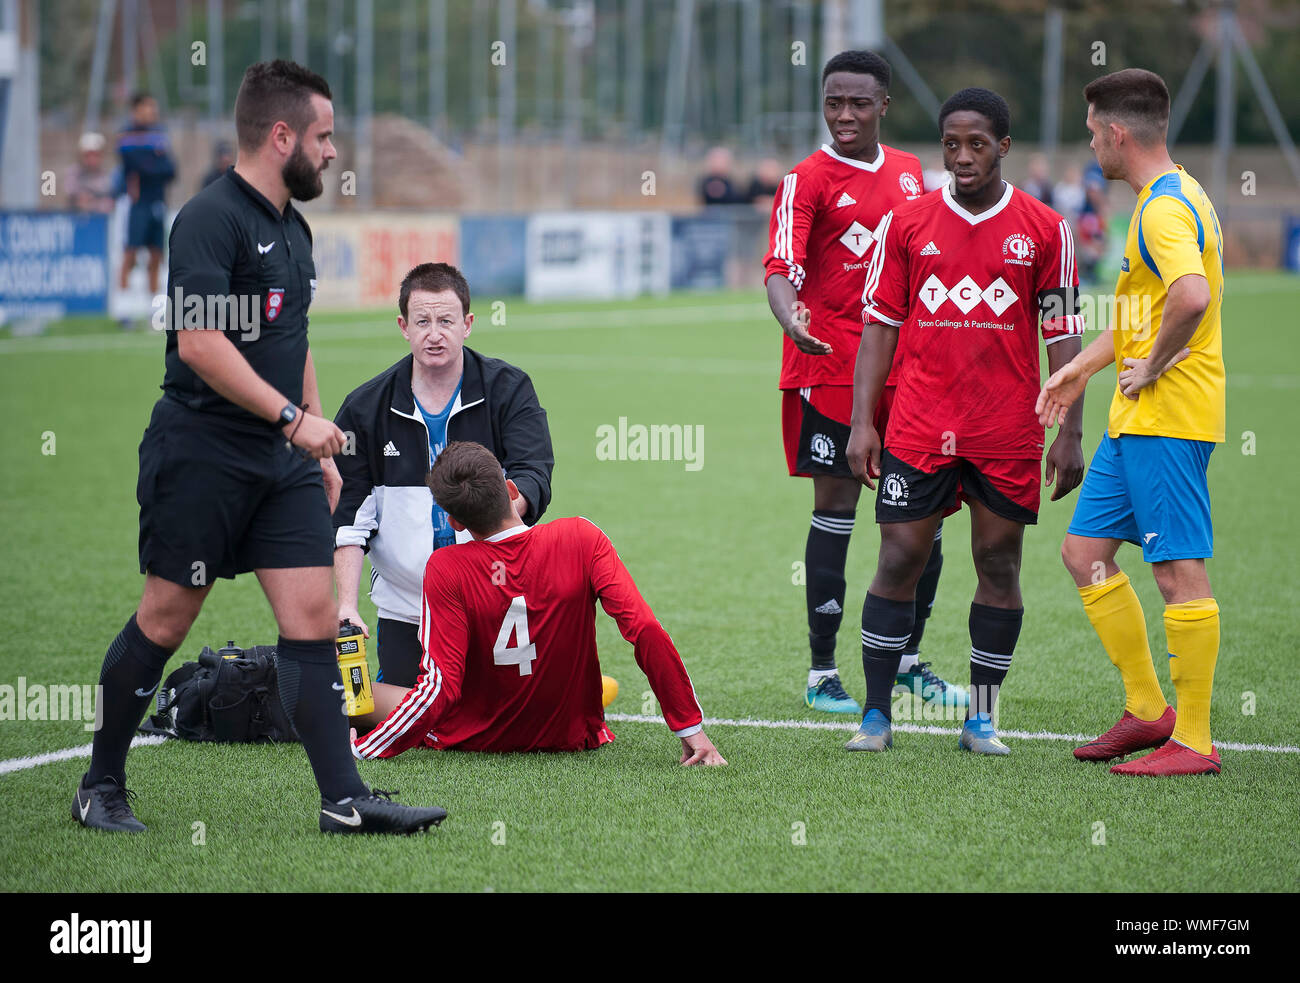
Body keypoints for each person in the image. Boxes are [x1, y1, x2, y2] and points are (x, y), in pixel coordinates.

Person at [71, 60, 446, 835]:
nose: (334, 152)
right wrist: (292, 420)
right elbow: (200, 343)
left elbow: (291, 339)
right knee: (166, 618)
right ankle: (100, 783)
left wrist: (315, 442)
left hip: (282, 461)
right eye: (324, 136)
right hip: (202, 452)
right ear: (282, 137)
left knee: (311, 617)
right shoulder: (210, 219)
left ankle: (345, 798)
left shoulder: (293, 227)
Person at [845, 87, 1086, 754]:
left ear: (1004, 146)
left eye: (977, 143)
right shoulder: (908, 223)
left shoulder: (1046, 229)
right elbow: (878, 329)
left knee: (998, 564)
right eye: (951, 143)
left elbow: (1064, 336)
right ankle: (875, 714)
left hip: (1007, 427)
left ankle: (981, 718)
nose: (962, 156)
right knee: (898, 556)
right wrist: (863, 421)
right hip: (920, 424)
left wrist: (1069, 431)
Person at [761, 49, 964, 716]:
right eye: (833, 103)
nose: (844, 114)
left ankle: (907, 660)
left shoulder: (912, 175)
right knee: (838, 509)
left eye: (857, 103)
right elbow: (780, 264)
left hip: (907, 373)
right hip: (829, 367)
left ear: (883, 105)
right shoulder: (806, 179)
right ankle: (823, 671)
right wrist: (790, 315)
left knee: (922, 516)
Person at [1037, 68, 1225, 776]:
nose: (1091, 145)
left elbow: (1191, 295)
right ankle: (1149, 710)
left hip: (1168, 417)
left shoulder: (1162, 210)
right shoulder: (1167, 195)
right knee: (1084, 553)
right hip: (1132, 418)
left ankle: (1197, 739)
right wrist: (1081, 368)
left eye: (1092, 133)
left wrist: (1152, 369)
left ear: (1118, 133)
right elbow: (1144, 311)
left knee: (1178, 571)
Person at [350, 441, 726, 766]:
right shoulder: (581, 537)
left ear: (455, 523)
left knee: (339, 683)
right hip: (571, 735)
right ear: (512, 490)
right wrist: (689, 727)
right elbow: (644, 629)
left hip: (473, 737)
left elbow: (441, 685)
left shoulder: (446, 567)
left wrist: (369, 748)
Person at [332, 262, 554, 688]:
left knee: (504, 717)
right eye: (423, 321)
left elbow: (534, 473)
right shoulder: (364, 408)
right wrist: (346, 605)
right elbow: (347, 516)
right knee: (399, 718)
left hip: (496, 595)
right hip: (405, 604)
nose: (435, 334)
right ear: (403, 326)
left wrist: (499, 512)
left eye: (446, 321)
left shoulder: (509, 389)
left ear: (467, 324)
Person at [117, 93, 176, 297]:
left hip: (158, 201)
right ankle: (123, 306)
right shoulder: (127, 136)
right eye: (149, 107)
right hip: (137, 203)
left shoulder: (159, 134)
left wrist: (154, 165)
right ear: (136, 110)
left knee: (156, 254)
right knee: (131, 253)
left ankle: (153, 305)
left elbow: (170, 170)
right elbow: (138, 166)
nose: (153, 112)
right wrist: (155, 163)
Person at [65, 133, 116, 214]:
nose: (92, 159)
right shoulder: (73, 173)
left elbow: (109, 202)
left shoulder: (108, 175)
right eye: (88, 155)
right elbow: (72, 195)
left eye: (96, 155)